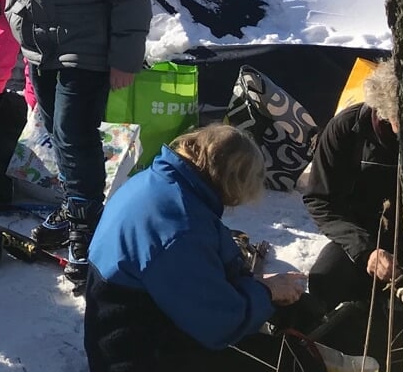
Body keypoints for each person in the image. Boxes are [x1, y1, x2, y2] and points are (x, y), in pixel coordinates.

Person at [85, 125, 359, 372]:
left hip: (140, 326)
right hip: (136, 356)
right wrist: (265, 292)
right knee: (286, 363)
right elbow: (220, 325)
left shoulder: (162, 183)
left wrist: (257, 285)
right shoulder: (179, 227)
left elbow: (199, 271)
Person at [6, 0, 150, 285]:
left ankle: (88, 232)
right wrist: (13, 10)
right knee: (53, 128)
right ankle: (76, 206)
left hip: (87, 44)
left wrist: (125, 56)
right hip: (39, 41)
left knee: (74, 134)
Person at [303, 60, 403, 314]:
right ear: (383, 109)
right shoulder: (346, 129)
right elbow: (320, 200)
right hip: (362, 236)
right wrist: (366, 250)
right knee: (325, 280)